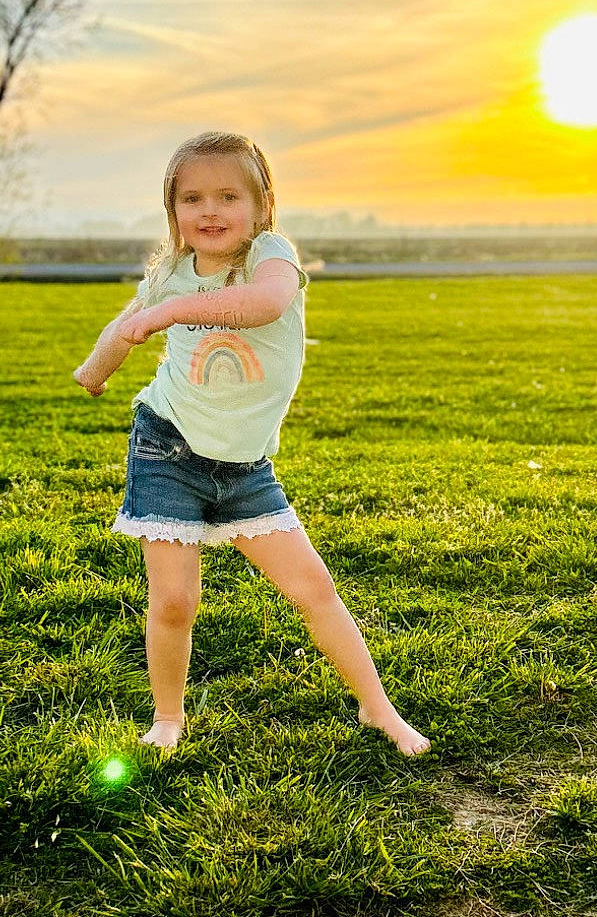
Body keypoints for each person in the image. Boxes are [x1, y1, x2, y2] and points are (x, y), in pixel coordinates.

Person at [73, 131, 429, 759]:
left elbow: (268, 303)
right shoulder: (170, 275)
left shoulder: (271, 255)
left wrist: (171, 313)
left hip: (244, 468)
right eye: (192, 199)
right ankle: (168, 717)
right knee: (177, 600)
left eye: (228, 196)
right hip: (168, 448)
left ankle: (378, 707)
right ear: (173, 211)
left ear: (263, 206)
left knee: (313, 590)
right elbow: (127, 325)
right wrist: (96, 371)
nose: (209, 211)